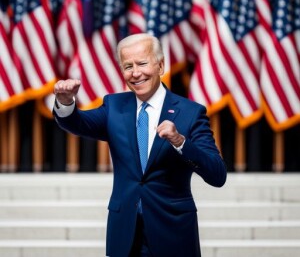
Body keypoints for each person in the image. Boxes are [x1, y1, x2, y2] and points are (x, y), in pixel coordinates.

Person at [53, 33, 227, 257]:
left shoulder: (191, 113)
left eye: (142, 63)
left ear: (161, 65)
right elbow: (77, 123)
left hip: (173, 233)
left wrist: (180, 142)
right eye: (128, 66)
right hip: (125, 235)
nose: (135, 73)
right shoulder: (114, 107)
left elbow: (217, 174)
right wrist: (66, 102)